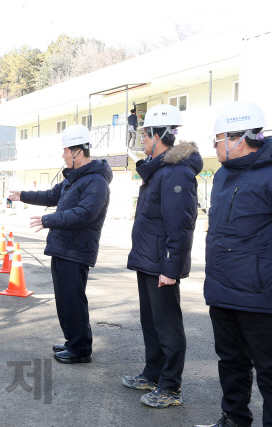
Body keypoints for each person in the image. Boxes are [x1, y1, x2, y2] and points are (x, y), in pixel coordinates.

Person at [195, 101, 272, 427]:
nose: (215, 146)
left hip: (259, 296)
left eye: (218, 138)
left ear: (239, 138)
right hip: (222, 288)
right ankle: (234, 419)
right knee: (231, 361)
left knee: (269, 370)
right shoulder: (225, 174)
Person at [8, 124, 112, 364]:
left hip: (76, 250)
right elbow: (51, 196)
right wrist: (22, 195)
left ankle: (80, 348)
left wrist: (48, 220)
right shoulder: (74, 179)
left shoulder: (95, 182)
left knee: (73, 300)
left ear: (77, 152)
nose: (63, 155)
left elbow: (84, 214)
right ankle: (72, 341)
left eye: (65, 150)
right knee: (65, 300)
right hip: (64, 248)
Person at [123, 104, 203, 408]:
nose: (142, 140)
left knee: (168, 326)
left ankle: (170, 387)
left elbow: (181, 225)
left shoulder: (176, 173)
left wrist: (171, 268)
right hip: (148, 260)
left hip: (162, 264)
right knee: (151, 322)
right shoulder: (158, 170)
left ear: (159, 136)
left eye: (145, 135)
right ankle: (153, 373)